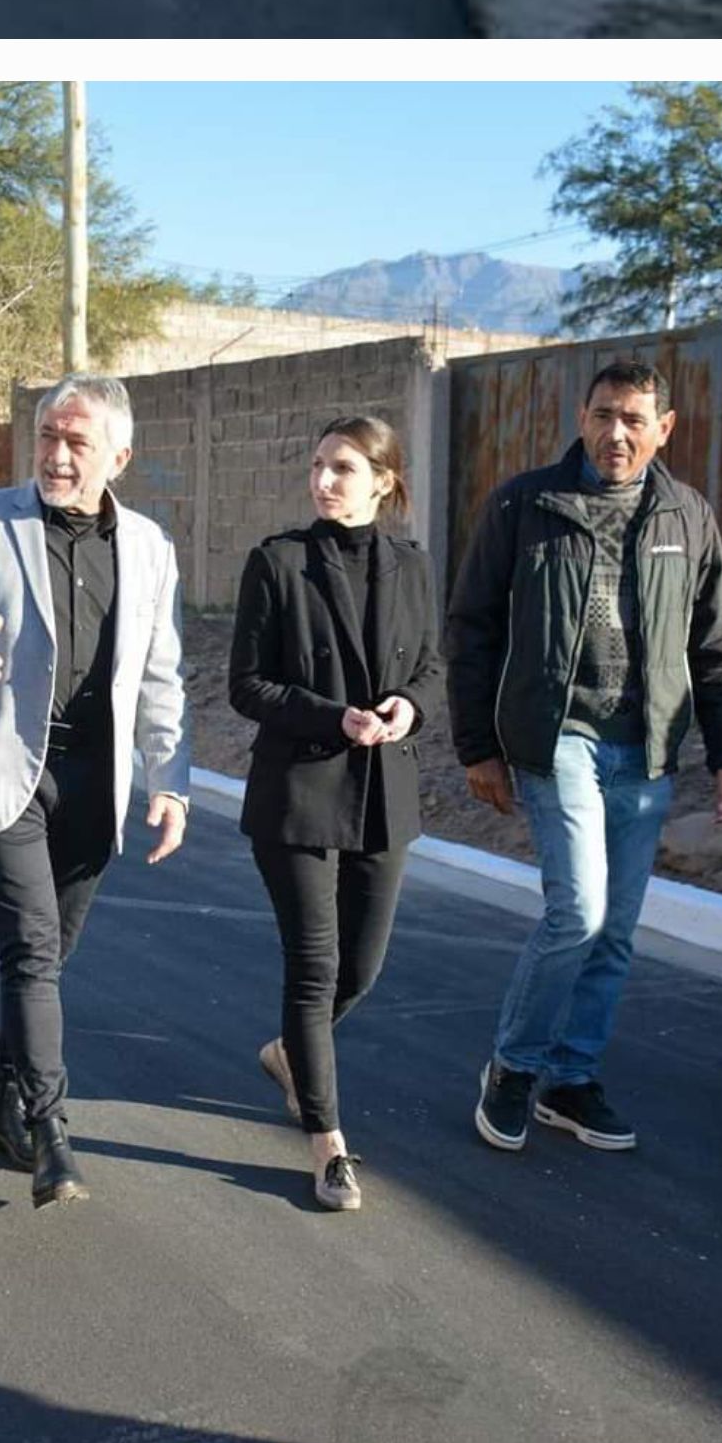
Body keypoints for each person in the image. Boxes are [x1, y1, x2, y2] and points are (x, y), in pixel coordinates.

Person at [447, 358, 722, 1154]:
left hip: (646, 748)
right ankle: (513, 1067)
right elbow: (472, 626)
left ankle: (571, 1079)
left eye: (633, 419)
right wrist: (478, 745)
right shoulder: (527, 504)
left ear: (664, 428)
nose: (616, 433)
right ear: (582, 417)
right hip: (559, 739)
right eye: (603, 414)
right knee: (576, 911)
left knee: (615, 929)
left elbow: (717, 644)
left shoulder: (687, 516)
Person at [0, 375, 190, 1210]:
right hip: (6, 769)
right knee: (31, 952)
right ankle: (52, 1130)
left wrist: (170, 780)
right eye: (49, 439)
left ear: (119, 457)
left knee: (47, 961)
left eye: (78, 444)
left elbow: (161, 674)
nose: (58, 457)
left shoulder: (149, 547)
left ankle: (2, 1102)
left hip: (93, 784)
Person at [226, 417, 443, 1213]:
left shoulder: (413, 566)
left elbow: (431, 667)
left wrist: (409, 708)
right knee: (314, 969)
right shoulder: (278, 563)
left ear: (383, 480)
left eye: (343, 468)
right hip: (298, 797)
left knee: (364, 967)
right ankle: (327, 1144)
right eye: (317, 466)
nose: (323, 481)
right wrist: (332, 716)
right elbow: (246, 685)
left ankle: (291, 1051)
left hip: (386, 793)